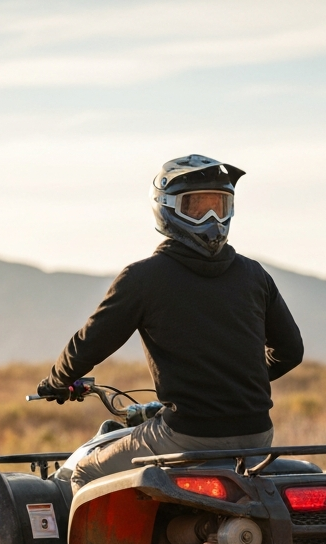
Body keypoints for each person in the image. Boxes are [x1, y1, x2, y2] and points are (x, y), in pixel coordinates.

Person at [38, 153, 304, 492]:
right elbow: (291, 351)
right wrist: (232, 381)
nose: (210, 217)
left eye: (219, 207)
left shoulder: (144, 278)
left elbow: (90, 343)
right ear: (167, 207)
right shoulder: (253, 274)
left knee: (86, 473)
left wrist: (57, 380)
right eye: (196, 206)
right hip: (258, 436)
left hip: (186, 435)